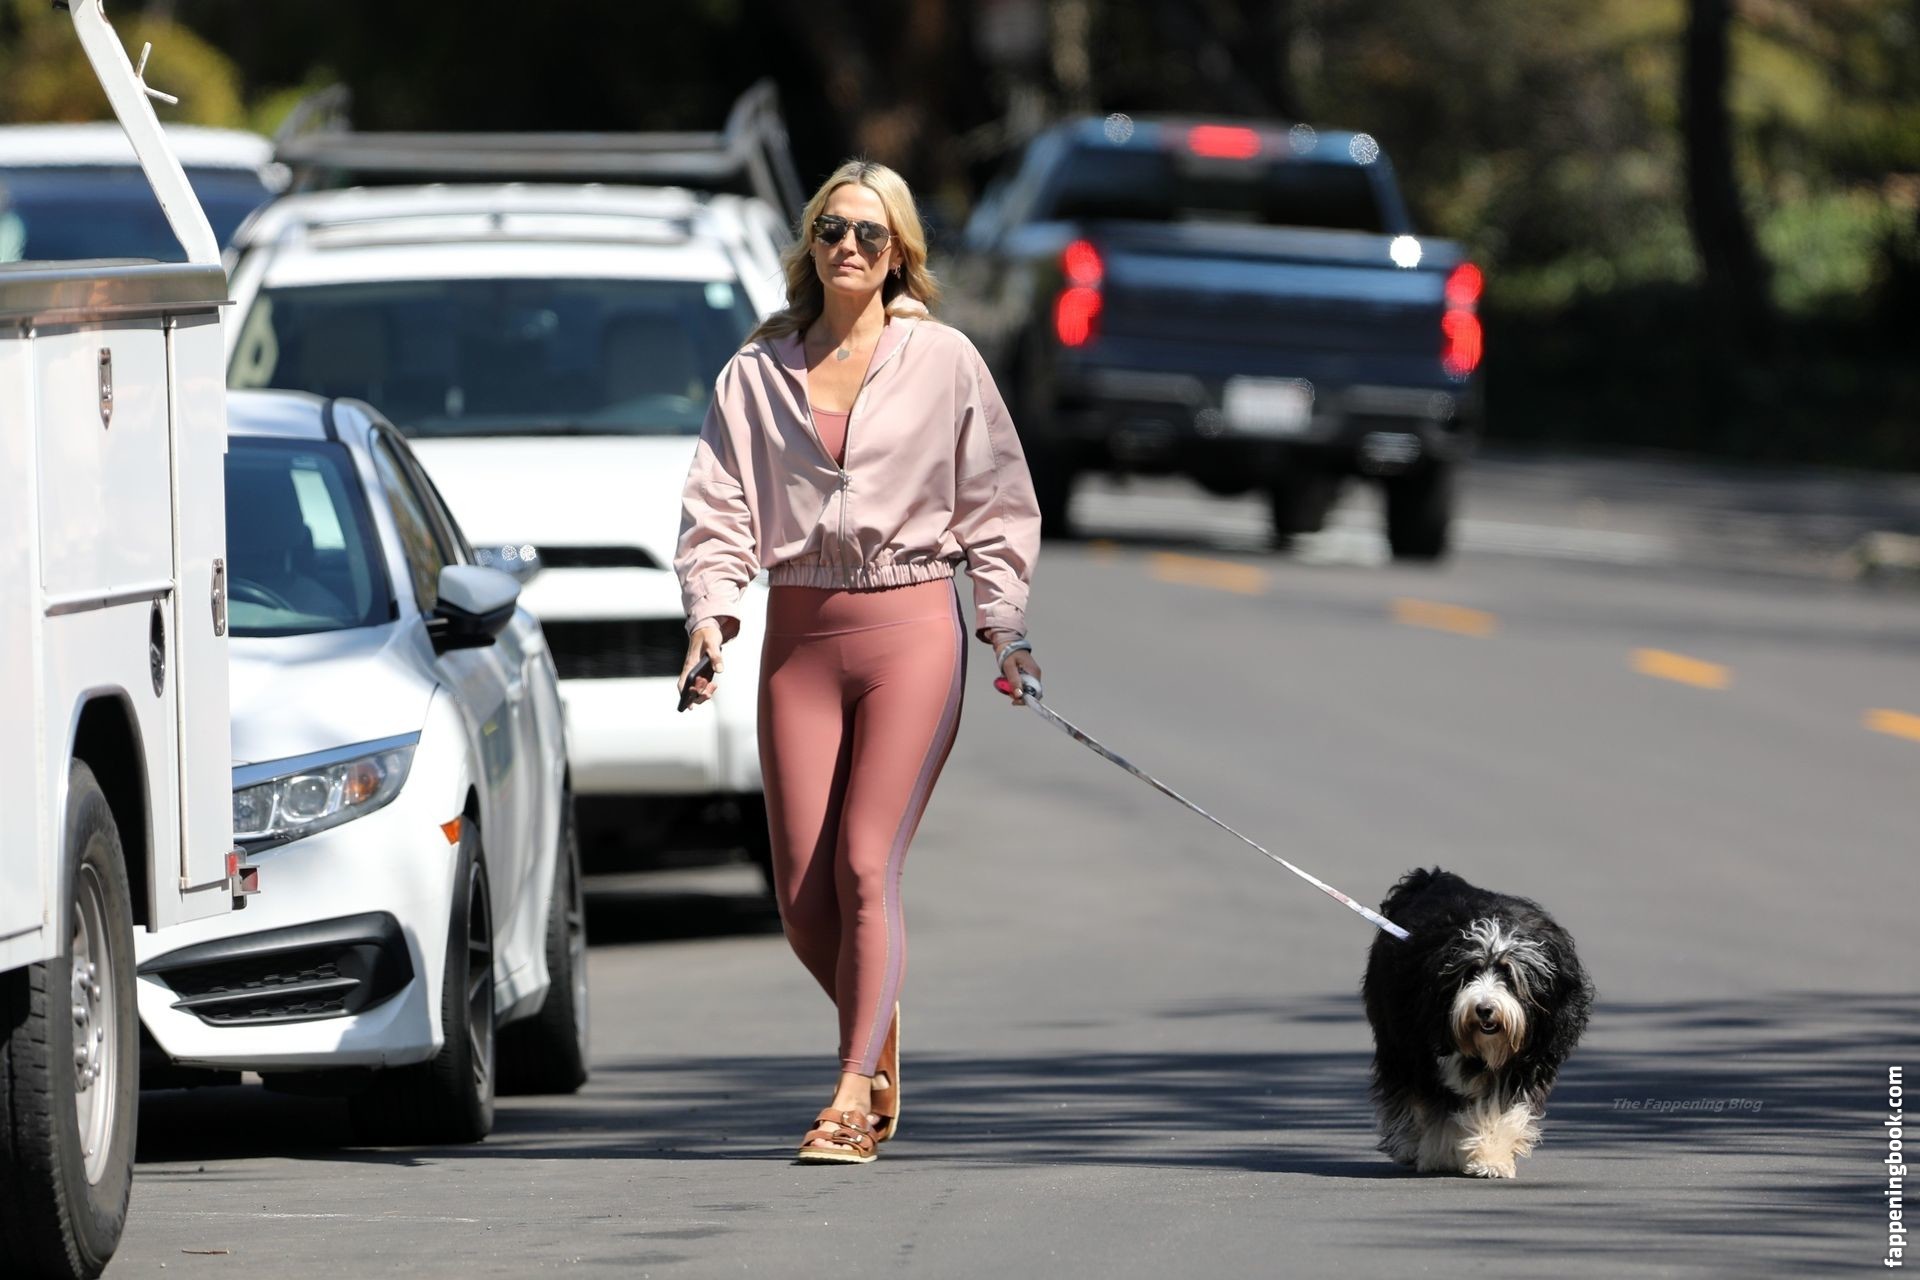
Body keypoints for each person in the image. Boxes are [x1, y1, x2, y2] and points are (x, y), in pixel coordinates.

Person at [674, 159, 1042, 1164]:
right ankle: (875, 1020)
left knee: (866, 863)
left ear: (898, 254)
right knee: (803, 899)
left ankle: (848, 1099)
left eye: (869, 233)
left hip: (912, 631)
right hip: (797, 637)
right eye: (832, 228)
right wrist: (710, 619)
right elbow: (717, 512)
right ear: (811, 242)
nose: (848, 246)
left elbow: (997, 501)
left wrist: (1003, 626)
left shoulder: (945, 361)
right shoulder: (756, 371)